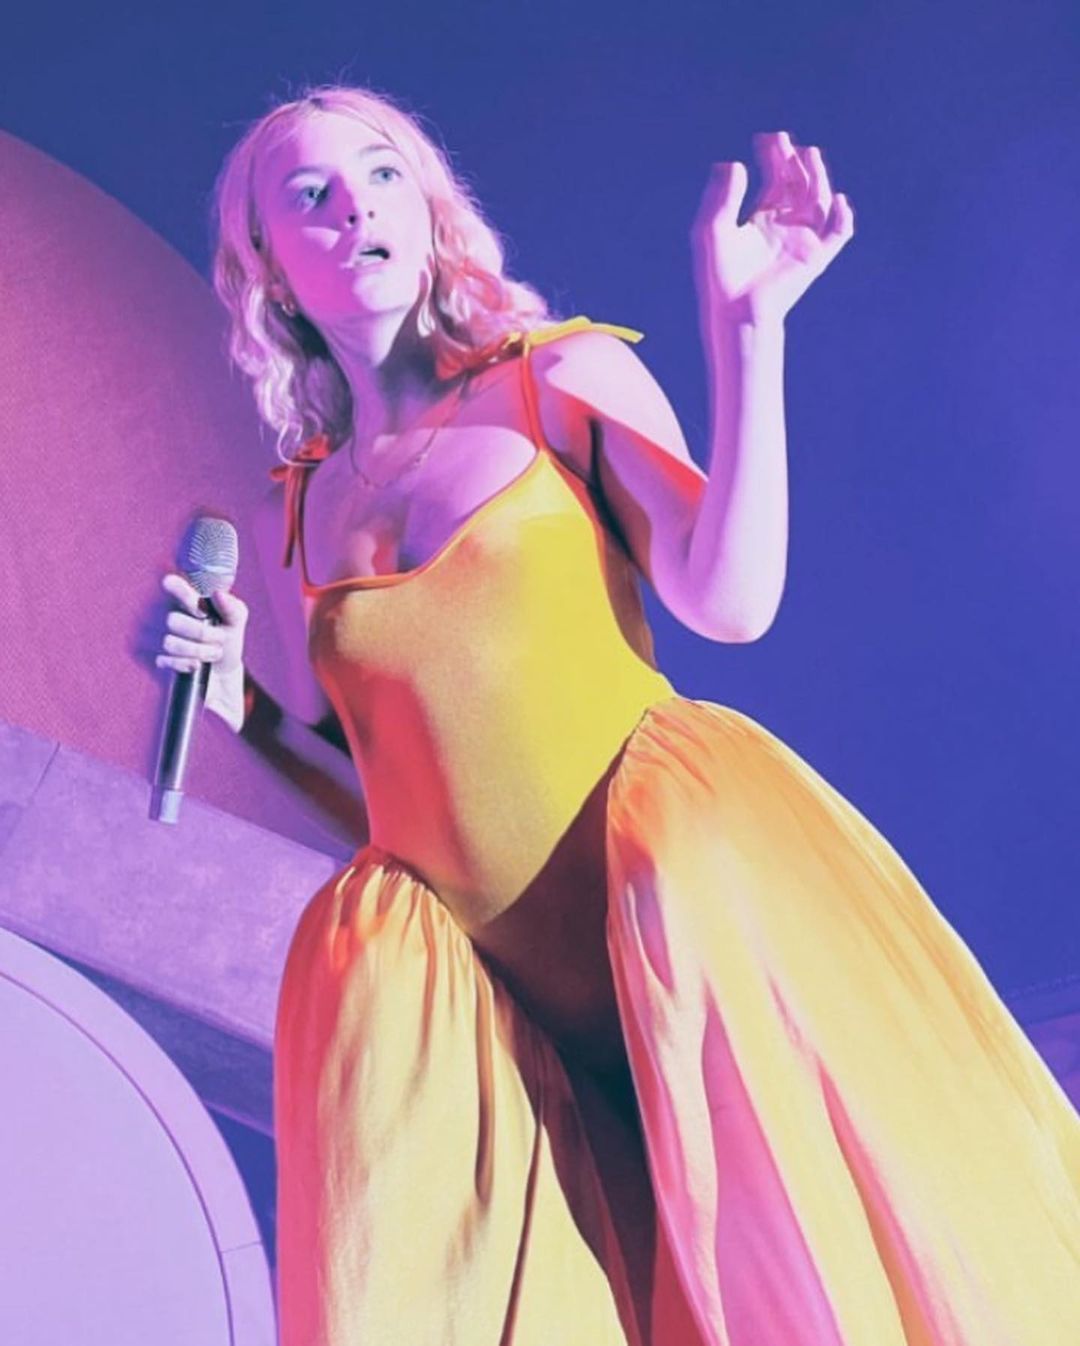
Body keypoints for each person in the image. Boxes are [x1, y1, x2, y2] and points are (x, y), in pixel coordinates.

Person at [156, 85, 1080, 1345]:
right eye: (309, 194)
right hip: (508, 1014)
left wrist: (748, 333)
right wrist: (241, 706)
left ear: (427, 209)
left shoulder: (557, 380)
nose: (353, 208)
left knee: (815, 1290)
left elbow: (729, 599)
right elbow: (378, 796)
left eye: (379, 175)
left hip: (684, 922)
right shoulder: (291, 517)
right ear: (267, 265)